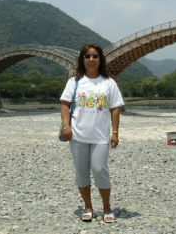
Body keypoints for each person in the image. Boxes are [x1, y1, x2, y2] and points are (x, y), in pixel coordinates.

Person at [60, 44, 124, 223]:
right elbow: (65, 104)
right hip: (77, 136)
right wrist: (66, 126)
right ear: (82, 59)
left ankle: (106, 207)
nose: (91, 59)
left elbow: (115, 109)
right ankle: (88, 206)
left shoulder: (109, 83)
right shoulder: (74, 82)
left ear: (100, 59)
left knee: (99, 170)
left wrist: (115, 132)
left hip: (101, 137)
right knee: (81, 173)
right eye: (87, 56)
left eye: (95, 56)